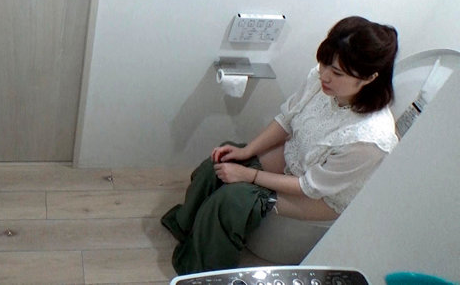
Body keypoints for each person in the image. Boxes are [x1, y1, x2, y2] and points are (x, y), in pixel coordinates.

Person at [162, 16, 400, 275]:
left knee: (233, 201)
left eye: (337, 73)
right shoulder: (322, 82)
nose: (324, 75)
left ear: (369, 78)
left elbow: (310, 186)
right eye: (324, 64)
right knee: (220, 163)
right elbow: (287, 119)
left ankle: (201, 271)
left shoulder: (368, 139)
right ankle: (186, 227)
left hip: (324, 197)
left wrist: (249, 175)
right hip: (301, 159)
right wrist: (245, 152)